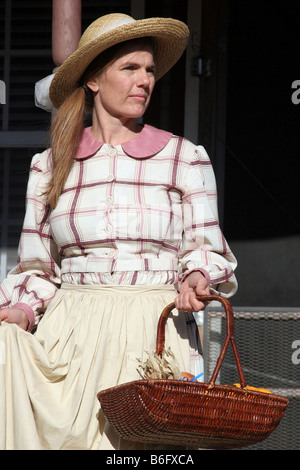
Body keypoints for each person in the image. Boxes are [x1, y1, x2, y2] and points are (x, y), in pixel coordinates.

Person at [0, 13, 237, 450]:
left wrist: (197, 279)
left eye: (149, 70)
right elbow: (36, 268)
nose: (144, 80)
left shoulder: (183, 158)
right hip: (68, 337)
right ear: (93, 79)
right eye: (129, 68)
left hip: (155, 335)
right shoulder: (49, 166)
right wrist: (21, 312)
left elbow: (204, 249)